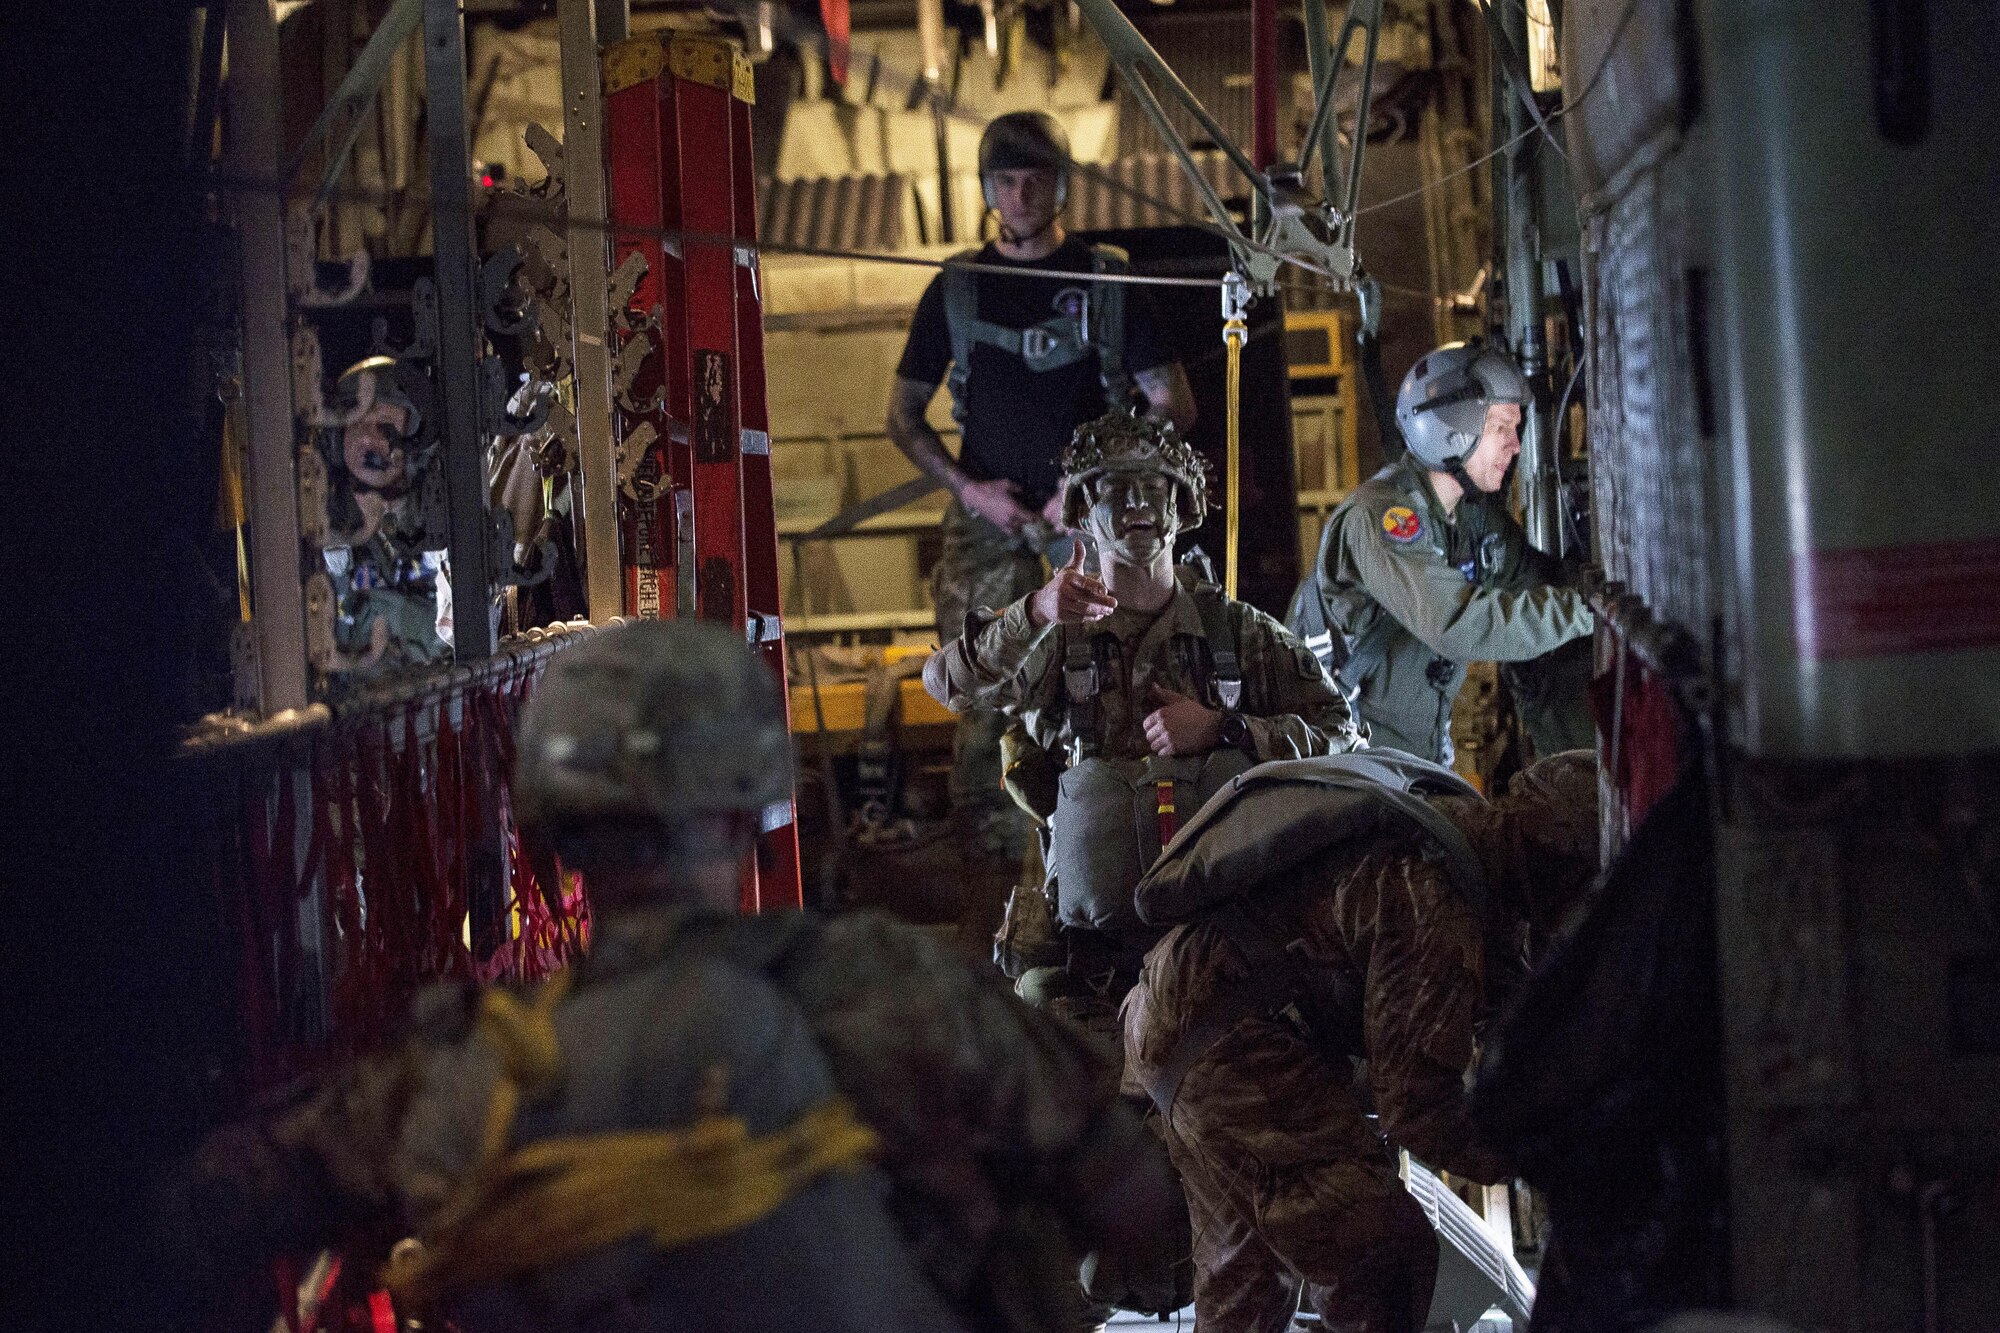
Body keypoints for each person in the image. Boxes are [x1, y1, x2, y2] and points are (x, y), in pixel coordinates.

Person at [176, 620, 1182, 1333]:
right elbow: (1139, 1214)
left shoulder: (463, 1073)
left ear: (552, 833)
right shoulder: (898, 990)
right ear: (750, 808)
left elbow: (200, 1216)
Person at [1121, 748, 1602, 1333]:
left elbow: (1493, 1004)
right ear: (1560, 865)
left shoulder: (1453, 831)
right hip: (1227, 1034)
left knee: (1245, 1283)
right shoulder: (1435, 896)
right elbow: (1417, 1108)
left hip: (1179, 1019)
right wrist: (1538, 1162)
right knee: (1379, 1253)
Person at [924, 411, 1360, 1045]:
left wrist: (1227, 729)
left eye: (1155, 488)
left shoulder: (1237, 634)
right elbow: (948, 685)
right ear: (1082, 510)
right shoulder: (1055, 635)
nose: (1138, 505)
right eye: (1115, 490)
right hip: (1089, 966)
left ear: (1181, 507)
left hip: (1223, 965)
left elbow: (1343, 735)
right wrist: (1035, 611)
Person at [889, 110, 1195, 888]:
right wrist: (970, 490)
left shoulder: (1107, 281)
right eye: (1006, 181)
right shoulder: (956, 289)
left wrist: (1092, 486)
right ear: (987, 189)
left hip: (1090, 530)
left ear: (1061, 186)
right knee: (979, 695)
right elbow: (903, 415)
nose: (1020, 195)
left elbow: (1173, 403)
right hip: (986, 529)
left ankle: (1109, 867)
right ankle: (994, 888)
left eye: (1035, 180)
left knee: (1105, 690)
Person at [1296, 340, 1593, 763]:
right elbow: (1459, 624)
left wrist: (1598, 585)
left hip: (1419, 762)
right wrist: (1589, 608)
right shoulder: (1379, 517)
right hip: (1353, 766)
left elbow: (1536, 582)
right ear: (1453, 432)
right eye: (1501, 429)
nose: (1515, 445)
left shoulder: (1471, 522)